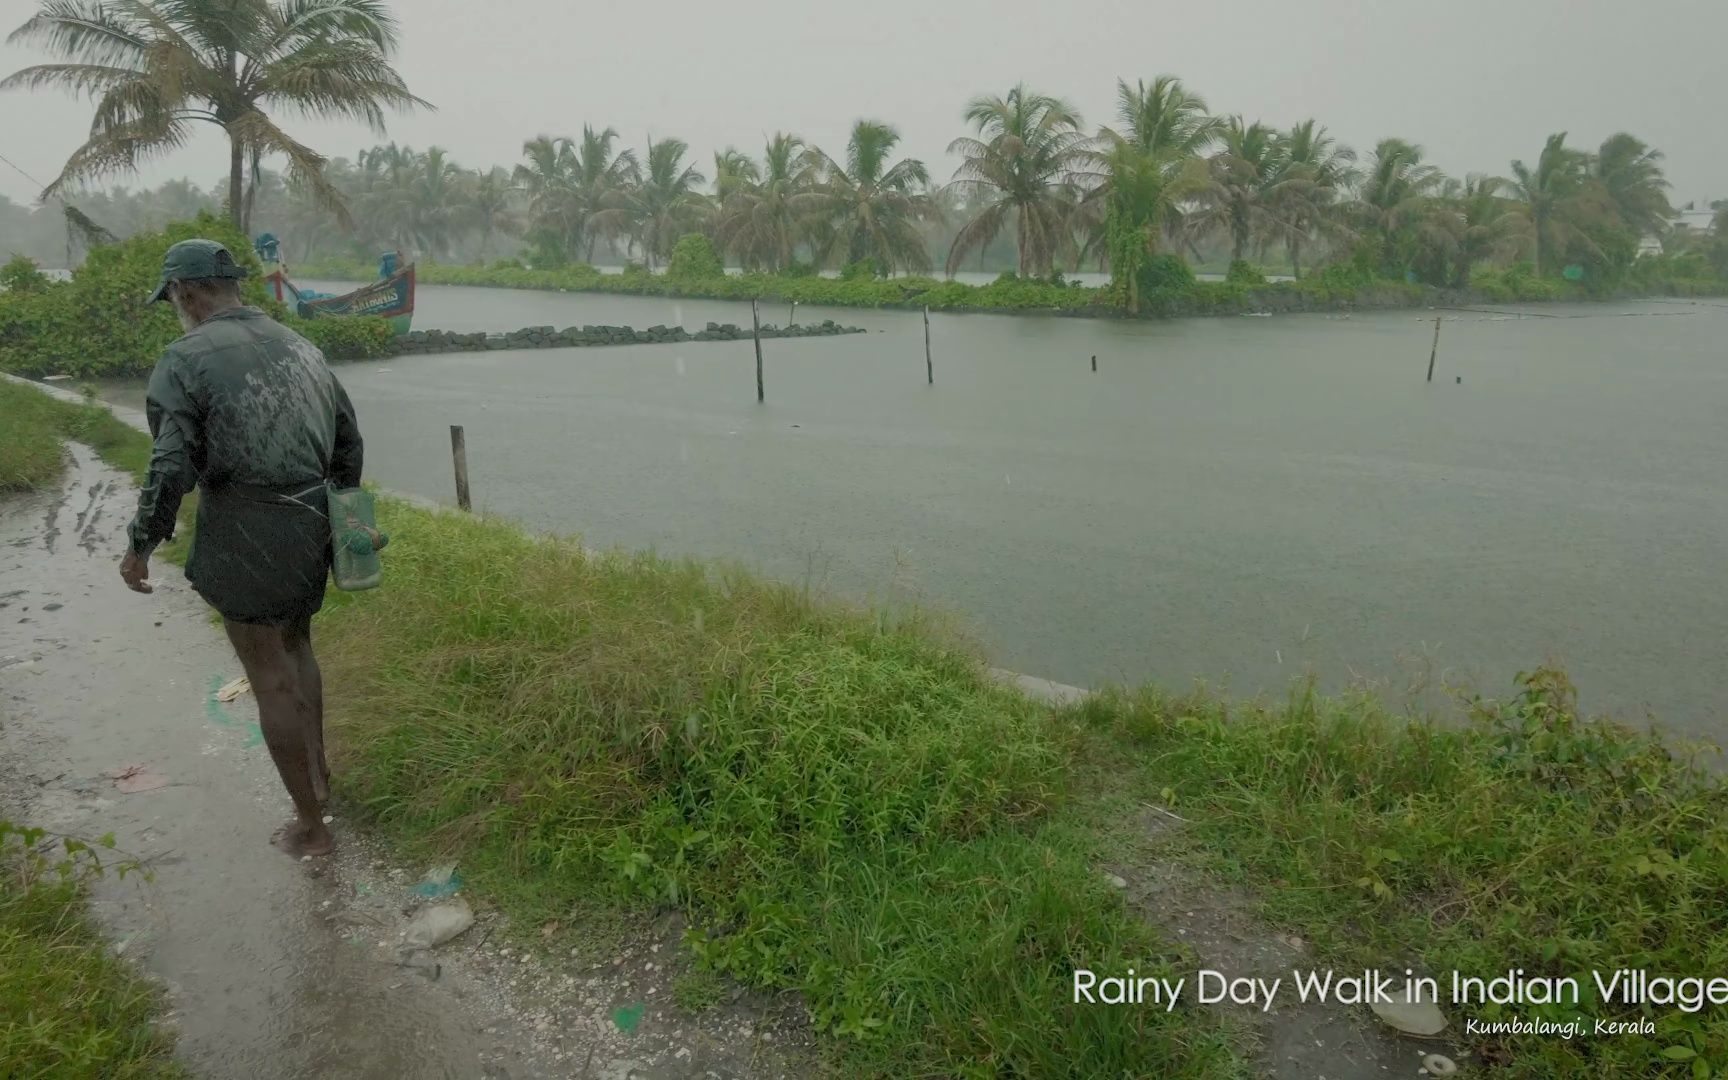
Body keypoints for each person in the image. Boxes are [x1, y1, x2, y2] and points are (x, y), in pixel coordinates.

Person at [120, 239, 363, 858]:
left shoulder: (183, 359)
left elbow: (171, 463)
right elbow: (347, 442)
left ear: (184, 292)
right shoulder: (301, 346)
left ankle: (310, 827)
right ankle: (320, 783)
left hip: (246, 523)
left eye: (172, 296)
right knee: (298, 644)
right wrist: (340, 514)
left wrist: (142, 542)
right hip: (311, 521)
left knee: (266, 671)